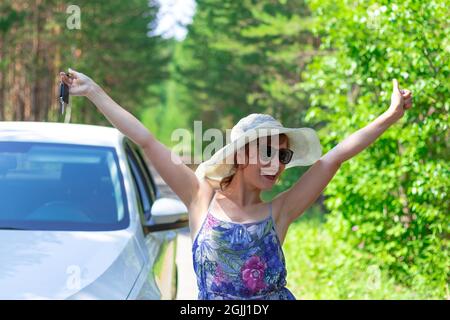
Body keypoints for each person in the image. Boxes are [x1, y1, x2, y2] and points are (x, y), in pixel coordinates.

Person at [59, 68, 413, 300]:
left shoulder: (280, 210)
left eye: (283, 157)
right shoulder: (200, 198)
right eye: (267, 152)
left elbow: (333, 158)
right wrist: (94, 91)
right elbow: (148, 141)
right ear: (241, 154)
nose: (276, 164)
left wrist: (389, 116)